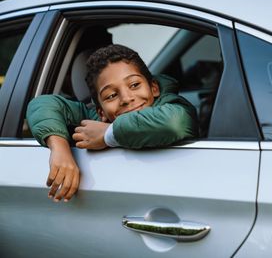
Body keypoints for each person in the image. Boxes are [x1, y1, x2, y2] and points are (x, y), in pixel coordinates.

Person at [27, 44, 198, 203]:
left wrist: (108, 134)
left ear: (154, 87)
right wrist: (60, 149)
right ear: (101, 112)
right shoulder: (94, 117)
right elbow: (42, 104)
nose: (127, 98)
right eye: (111, 96)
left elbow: (174, 123)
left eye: (135, 84)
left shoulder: (173, 105)